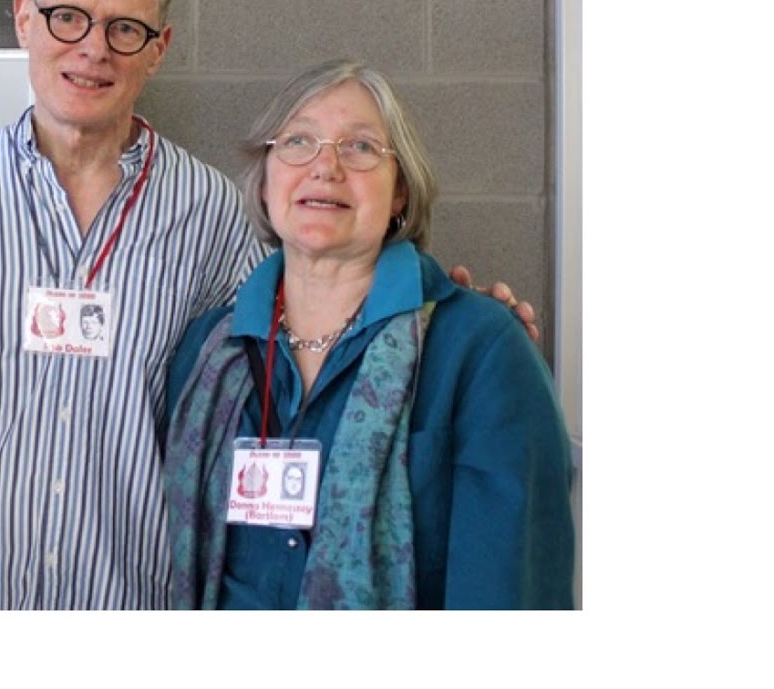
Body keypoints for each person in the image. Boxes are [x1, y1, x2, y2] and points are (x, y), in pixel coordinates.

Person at [0, 0, 542, 610]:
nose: (93, 49)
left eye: (125, 28)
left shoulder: (211, 212)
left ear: (159, 47)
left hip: (129, 609)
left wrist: (453, 329)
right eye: (68, 17)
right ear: (24, 18)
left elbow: (308, 349)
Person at [164, 60, 574, 609]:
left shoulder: (481, 350)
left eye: (360, 147)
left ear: (400, 191)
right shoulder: (209, 350)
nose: (325, 167)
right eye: (299, 141)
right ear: (265, 181)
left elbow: (511, 591)